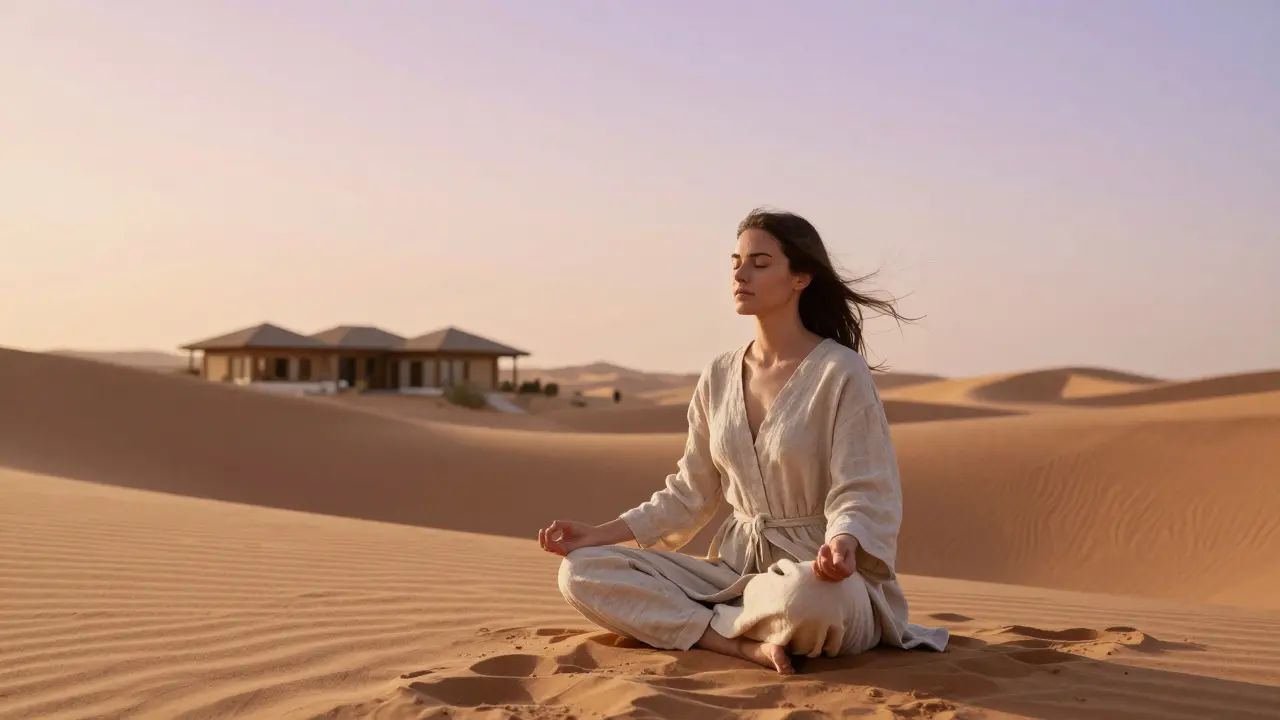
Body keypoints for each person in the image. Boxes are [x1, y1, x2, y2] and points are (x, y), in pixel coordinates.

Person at [537, 208, 949, 674]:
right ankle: (734, 643)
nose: (740, 272)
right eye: (736, 260)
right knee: (583, 571)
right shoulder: (718, 375)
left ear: (800, 277)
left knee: (805, 599)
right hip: (734, 574)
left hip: (819, 573)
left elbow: (864, 484)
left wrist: (844, 540)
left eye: (760, 261)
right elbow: (689, 494)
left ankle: (715, 621)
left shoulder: (840, 372)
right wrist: (598, 534)